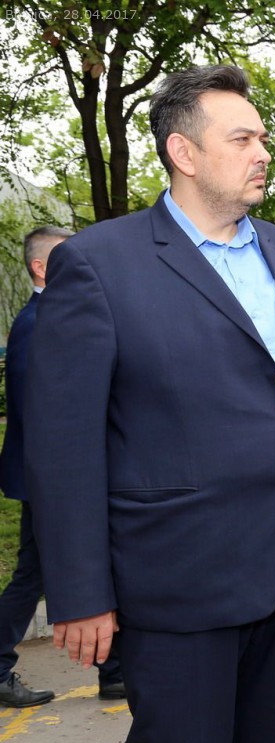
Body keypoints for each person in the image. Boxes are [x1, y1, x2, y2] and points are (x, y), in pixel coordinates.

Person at [24, 65, 275, 743]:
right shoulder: (100, 264)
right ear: (183, 152)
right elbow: (63, 444)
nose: (263, 153)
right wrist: (80, 591)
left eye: (262, 138)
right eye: (242, 139)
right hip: (181, 579)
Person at [0, 226, 125, 707]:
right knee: (34, 574)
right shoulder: (39, 321)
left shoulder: (57, 314)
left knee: (59, 568)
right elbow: (46, 414)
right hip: (48, 482)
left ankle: (113, 670)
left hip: (55, 479)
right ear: (40, 268)